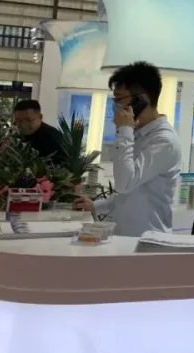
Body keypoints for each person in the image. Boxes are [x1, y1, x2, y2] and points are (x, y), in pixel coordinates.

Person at [73, 62, 181, 237]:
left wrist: (124, 130)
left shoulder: (164, 141)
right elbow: (130, 193)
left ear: (141, 99)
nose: (115, 105)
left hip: (147, 239)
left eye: (119, 99)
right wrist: (95, 205)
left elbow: (125, 184)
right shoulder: (136, 133)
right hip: (124, 236)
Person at [13, 99, 66, 165]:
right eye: (19, 121)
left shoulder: (54, 138)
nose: (23, 125)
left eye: (29, 120)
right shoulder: (17, 136)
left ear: (40, 117)